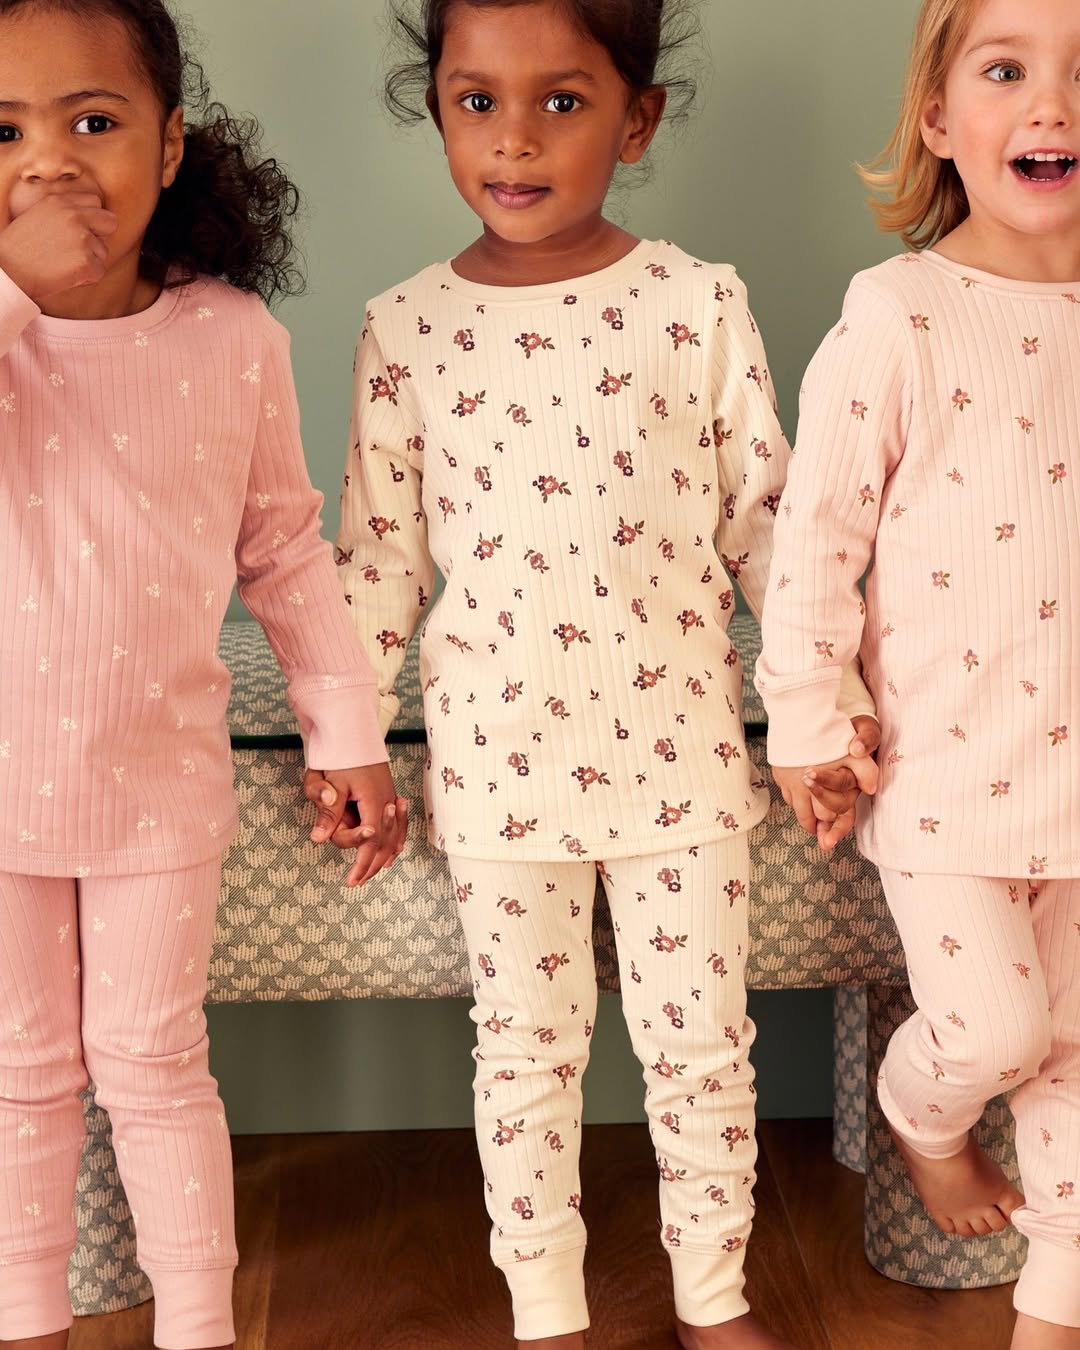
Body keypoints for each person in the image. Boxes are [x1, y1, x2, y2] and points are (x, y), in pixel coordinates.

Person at [306, 2, 876, 1345]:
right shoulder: (408, 329)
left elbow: (771, 528)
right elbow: (377, 561)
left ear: (636, 119)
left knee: (702, 1048)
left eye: (560, 101)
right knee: (524, 1052)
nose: (514, 138)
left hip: (681, 754)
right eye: (476, 101)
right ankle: (546, 1311)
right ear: (438, 111)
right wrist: (348, 739)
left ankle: (715, 1297)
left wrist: (823, 709)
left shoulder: (695, 302)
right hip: (500, 763)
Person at [0, 1, 405, 1346]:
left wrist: (346, 730)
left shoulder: (230, 339)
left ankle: (199, 1326)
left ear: (170, 147)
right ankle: (24, 1318)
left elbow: (285, 548)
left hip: (157, 786)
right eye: (2, 131)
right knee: (19, 1073)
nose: (49, 163)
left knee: (154, 1060)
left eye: (92, 121)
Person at [755, 0, 1080, 1345]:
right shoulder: (900, 315)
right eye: (1008, 72)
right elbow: (817, 531)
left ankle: (1052, 1315)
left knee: (1079, 1065)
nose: (1053, 104)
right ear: (939, 118)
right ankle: (917, 1113)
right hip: (947, 777)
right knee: (999, 1032)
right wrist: (806, 719)